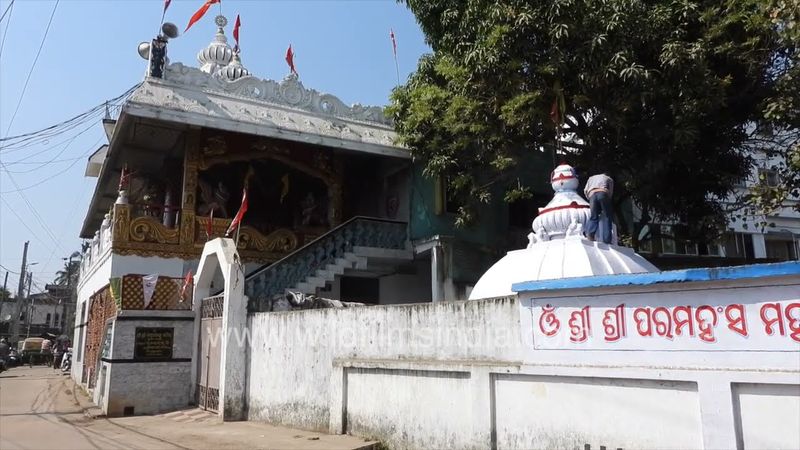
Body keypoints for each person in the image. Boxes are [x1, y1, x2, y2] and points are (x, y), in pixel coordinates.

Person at [583, 173, 614, 244]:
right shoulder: (608, 178)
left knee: (594, 216)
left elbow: (585, 190)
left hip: (592, 194)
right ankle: (607, 240)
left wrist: (589, 198)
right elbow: (610, 192)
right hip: (603, 193)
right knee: (607, 217)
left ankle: (590, 234)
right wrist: (607, 201)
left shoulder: (591, 178)